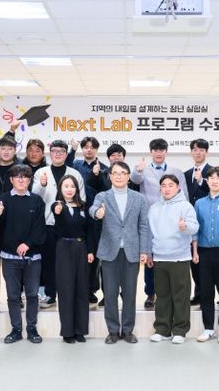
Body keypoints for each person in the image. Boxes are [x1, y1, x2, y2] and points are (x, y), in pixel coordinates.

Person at [90, 161, 149, 344]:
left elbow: (144, 226)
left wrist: (144, 250)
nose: (118, 176)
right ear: (110, 176)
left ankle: (128, 330)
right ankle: (113, 331)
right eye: (115, 173)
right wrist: (97, 213)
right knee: (110, 294)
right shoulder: (103, 196)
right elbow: (93, 209)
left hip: (131, 251)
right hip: (110, 251)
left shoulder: (139, 198)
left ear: (128, 176)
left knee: (130, 294)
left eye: (122, 173)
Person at [130, 138, 188, 308]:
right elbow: (134, 180)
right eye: (155, 150)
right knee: (150, 256)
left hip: (171, 218)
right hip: (150, 218)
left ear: (166, 152)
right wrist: (138, 170)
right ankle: (150, 293)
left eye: (161, 149)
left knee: (169, 256)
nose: (158, 152)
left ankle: (171, 292)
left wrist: (183, 214)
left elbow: (184, 195)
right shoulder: (143, 170)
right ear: (151, 152)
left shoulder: (176, 171)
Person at [0, 165, 47, 344]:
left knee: (32, 295)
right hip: (9, 257)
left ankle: (32, 329)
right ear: (11, 180)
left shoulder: (37, 201)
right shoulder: (2, 200)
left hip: (33, 257)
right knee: (13, 296)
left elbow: (40, 229)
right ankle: (16, 329)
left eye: (25, 177)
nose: (21, 180)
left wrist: (28, 244)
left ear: (30, 180)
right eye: (17, 177)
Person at [32, 140, 85, 308]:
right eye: (54, 151)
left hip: (69, 227)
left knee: (68, 264)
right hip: (48, 224)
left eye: (61, 151)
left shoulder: (75, 174)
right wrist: (42, 185)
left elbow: (82, 200)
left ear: (66, 153)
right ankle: (50, 295)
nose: (58, 154)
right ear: (49, 153)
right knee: (49, 262)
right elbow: (34, 196)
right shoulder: (41, 172)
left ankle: (68, 296)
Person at [147, 174, 199, 344]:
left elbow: (194, 227)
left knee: (180, 296)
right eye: (164, 185)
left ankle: (180, 330)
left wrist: (185, 226)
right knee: (162, 296)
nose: (167, 188)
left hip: (179, 259)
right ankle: (162, 329)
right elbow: (148, 233)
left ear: (178, 188)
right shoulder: (154, 208)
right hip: (159, 258)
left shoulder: (185, 206)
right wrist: (149, 253)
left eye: (171, 185)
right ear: (160, 188)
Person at [192, 166, 219, 343]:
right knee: (206, 292)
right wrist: (195, 251)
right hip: (203, 253)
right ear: (207, 181)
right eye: (211, 178)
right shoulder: (199, 203)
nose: (215, 181)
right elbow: (195, 230)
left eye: (218, 178)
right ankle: (208, 328)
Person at [52, 175, 96, 344]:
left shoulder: (84, 206)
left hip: (81, 247)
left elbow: (90, 230)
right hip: (64, 248)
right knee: (66, 289)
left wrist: (90, 250)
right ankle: (68, 332)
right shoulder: (57, 205)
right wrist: (58, 211)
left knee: (82, 289)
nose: (69, 189)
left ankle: (80, 330)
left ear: (77, 189)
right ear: (61, 189)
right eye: (66, 186)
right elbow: (58, 217)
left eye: (72, 186)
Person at [66, 136, 107, 305]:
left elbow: (105, 189)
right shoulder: (75, 165)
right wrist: (72, 150)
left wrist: (97, 175)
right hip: (77, 215)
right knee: (78, 255)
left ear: (97, 149)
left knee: (94, 255)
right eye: (86, 147)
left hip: (96, 218)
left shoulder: (104, 168)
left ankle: (91, 289)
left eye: (92, 147)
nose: (89, 149)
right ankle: (77, 289)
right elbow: (64, 167)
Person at [184, 138, 211, 305]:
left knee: (205, 261)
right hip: (189, 223)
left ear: (206, 152)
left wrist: (202, 181)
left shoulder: (213, 172)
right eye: (195, 150)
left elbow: (215, 191)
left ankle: (205, 295)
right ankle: (198, 293)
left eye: (201, 150)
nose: (198, 153)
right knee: (193, 260)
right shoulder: (186, 174)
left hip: (207, 222)